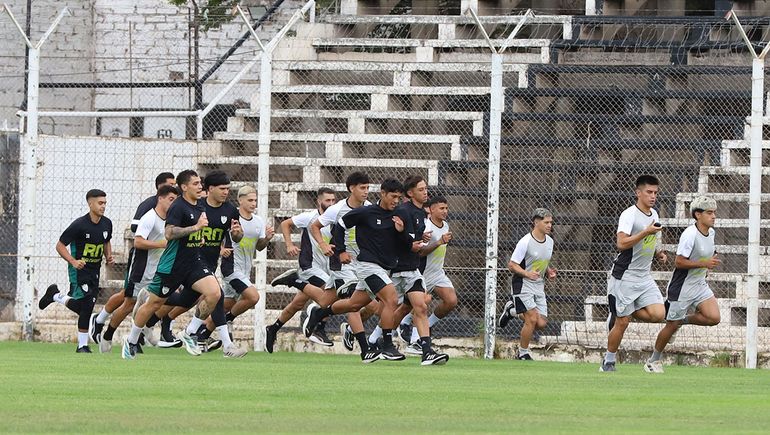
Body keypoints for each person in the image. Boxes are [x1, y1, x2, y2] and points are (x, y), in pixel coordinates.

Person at [122, 170, 246, 360]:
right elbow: (169, 233)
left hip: (194, 262)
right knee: (154, 304)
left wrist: (202, 236)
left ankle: (190, 332)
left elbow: (198, 232)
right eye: (196, 184)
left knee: (214, 293)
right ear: (184, 187)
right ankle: (131, 341)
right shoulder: (178, 206)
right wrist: (195, 228)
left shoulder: (198, 206)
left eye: (200, 183)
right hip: (173, 265)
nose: (200, 187)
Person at [306, 179, 419, 364]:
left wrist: (401, 231)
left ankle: (319, 313)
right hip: (367, 265)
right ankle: (387, 346)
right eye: (393, 196)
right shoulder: (366, 212)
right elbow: (341, 225)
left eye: (399, 198)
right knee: (391, 299)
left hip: (386, 268)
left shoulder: (399, 215)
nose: (396, 201)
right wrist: (341, 250)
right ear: (382, 193)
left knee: (353, 305)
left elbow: (407, 242)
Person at [369, 175, 449, 365]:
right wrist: (408, 241)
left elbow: (413, 239)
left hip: (412, 270)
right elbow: (393, 237)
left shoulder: (422, 214)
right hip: (397, 270)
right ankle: (374, 341)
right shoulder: (403, 211)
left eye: (426, 189)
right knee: (384, 307)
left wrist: (420, 238)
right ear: (411, 193)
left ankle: (426, 351)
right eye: (421, 190)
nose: (425, 192)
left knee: (420, 307)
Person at [89, 172, 175, 346]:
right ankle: (103, 327)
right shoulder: (149, 210)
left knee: (155, 301)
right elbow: (138, 238)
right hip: (141, 266)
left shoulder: (172, 214)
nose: (174, 188)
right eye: (171, 187)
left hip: (159, 267)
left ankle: (139, 336)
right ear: (160, 192)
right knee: (129, 301)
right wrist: (160, 244)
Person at [644, 196, 721, 373]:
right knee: (670, 325)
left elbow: (706, 254)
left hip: (699, 284)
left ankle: (681, 321)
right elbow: (679, 262)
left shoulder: (712, 233)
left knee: (714, 318)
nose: (713, 216)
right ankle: (653, 361)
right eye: (709, 213)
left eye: (714, 212)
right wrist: (704, 264)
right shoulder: (689, 235)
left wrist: (709, 263)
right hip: (682, 287)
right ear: (697, 215)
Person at [601, 175, 667, 372]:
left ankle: (620, 310)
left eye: (655, 192)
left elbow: (651, 240)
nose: (653, 196)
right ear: (638, 193)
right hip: (625, 275)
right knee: (623, 322)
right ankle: (608, 361)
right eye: (649, 192)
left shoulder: (654, 214)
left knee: (658, 314)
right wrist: (645, 233)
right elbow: (621, 243)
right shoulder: (629, 214)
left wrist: (659, 253)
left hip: (644, 276)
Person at [38, 189, 114, 353]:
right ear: (90, 203)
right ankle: (82, 346)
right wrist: (73, 261)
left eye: (105, 203)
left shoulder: (107, 223)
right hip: (79, 271)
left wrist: (108, 256)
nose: (103, 206)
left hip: (95, 270)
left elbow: (106, 241)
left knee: (84, 307)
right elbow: (60, 245)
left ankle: (55, 296)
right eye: (100, 203)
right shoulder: (79, 225)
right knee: (87, 306)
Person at [265, 188, 336, 352]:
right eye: (327, 200)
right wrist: (289, 244)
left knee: (297, 304)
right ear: (319, 202)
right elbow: (285, 224)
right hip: (309, 267)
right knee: (330, 293)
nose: (331, 204)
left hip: (326, 269)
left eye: (333, 200)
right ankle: (319, 329)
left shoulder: (335, 219)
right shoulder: (310, 217)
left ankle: (273, 328)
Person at [397, 195, 454, 354]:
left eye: (446, 208)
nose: (445, 211)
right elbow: (420, 252)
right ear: (432, 209)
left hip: (438, 273)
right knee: (420, 304)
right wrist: (438, 242)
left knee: (451, 301)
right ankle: (414, 339)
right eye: (441, 208)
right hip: (423, 274)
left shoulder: (445, 225)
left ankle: (424, 326)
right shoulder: (426, 226)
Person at [498, 208, 556, 360]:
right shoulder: (525, 242)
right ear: (536, 222)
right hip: (522, 284)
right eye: (546, 222)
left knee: (541, 323)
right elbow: (512, 265)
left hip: (539, 285)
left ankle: (512, 311)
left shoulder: (550, 241)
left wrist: (548, 271)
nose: (550, 225)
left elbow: (542, 260)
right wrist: (527, 273)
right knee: (531, 319)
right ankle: (523, 353)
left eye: (551, 222)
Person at [220, 185, 274, 342]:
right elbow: (217, 239)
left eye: (255, 200)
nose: (253, 203)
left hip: (245, 269)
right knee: (252, 297)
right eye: (250, 200)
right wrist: (221, 249)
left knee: (227, 304)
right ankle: (226, 320)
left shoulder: (258, 221)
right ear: (240, 200)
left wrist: (267, 239)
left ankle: (201, 329)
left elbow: (259, 246)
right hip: (231, 268)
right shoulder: (233, 219)